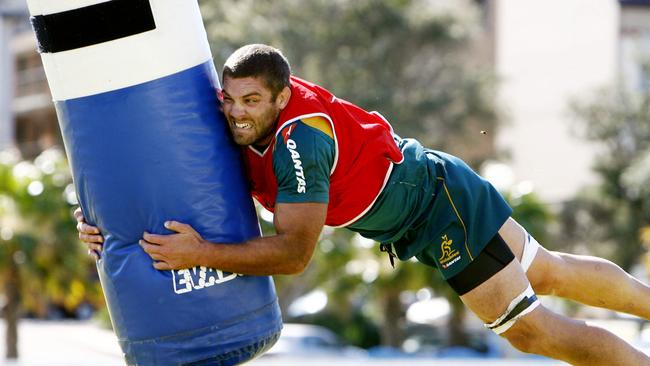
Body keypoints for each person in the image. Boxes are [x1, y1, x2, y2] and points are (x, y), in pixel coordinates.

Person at [76, 44, 650, 365]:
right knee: (547, 271)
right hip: (430, 190)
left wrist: (204, 253)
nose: (237, 112)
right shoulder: (235, 123)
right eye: (229, 100)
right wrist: (107, 223)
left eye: (252, 101)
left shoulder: (300, 140)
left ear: (281, 95)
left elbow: (295, 253)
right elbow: (161, 167)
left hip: (436, 206)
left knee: (526, 332)